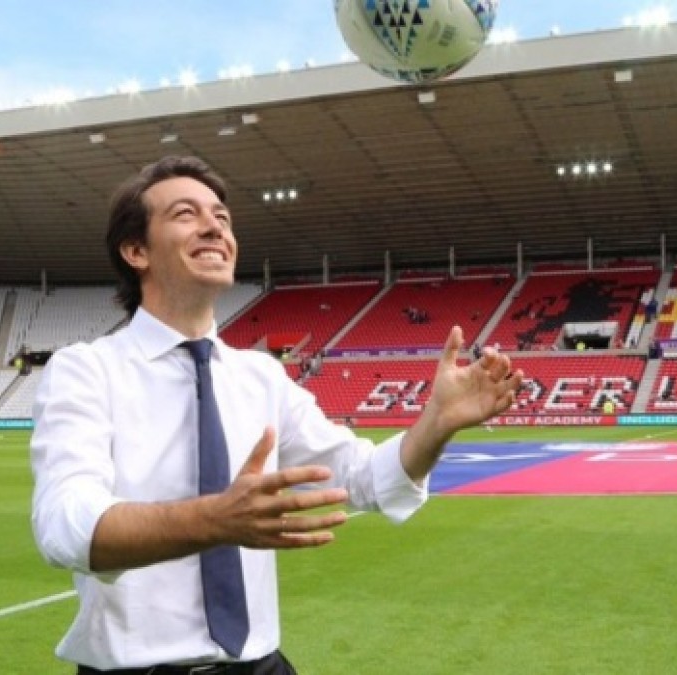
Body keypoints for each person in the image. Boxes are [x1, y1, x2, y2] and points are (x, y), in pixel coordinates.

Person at [29, 156, 523, 674]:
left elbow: (362, 477)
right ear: (136, 251)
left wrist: (437, 422)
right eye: (185, 214)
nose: (214, 227)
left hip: (261, 665)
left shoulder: (260, 375)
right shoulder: (86, 370)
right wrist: (213, 519)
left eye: (222, 217)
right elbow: (65, 527)